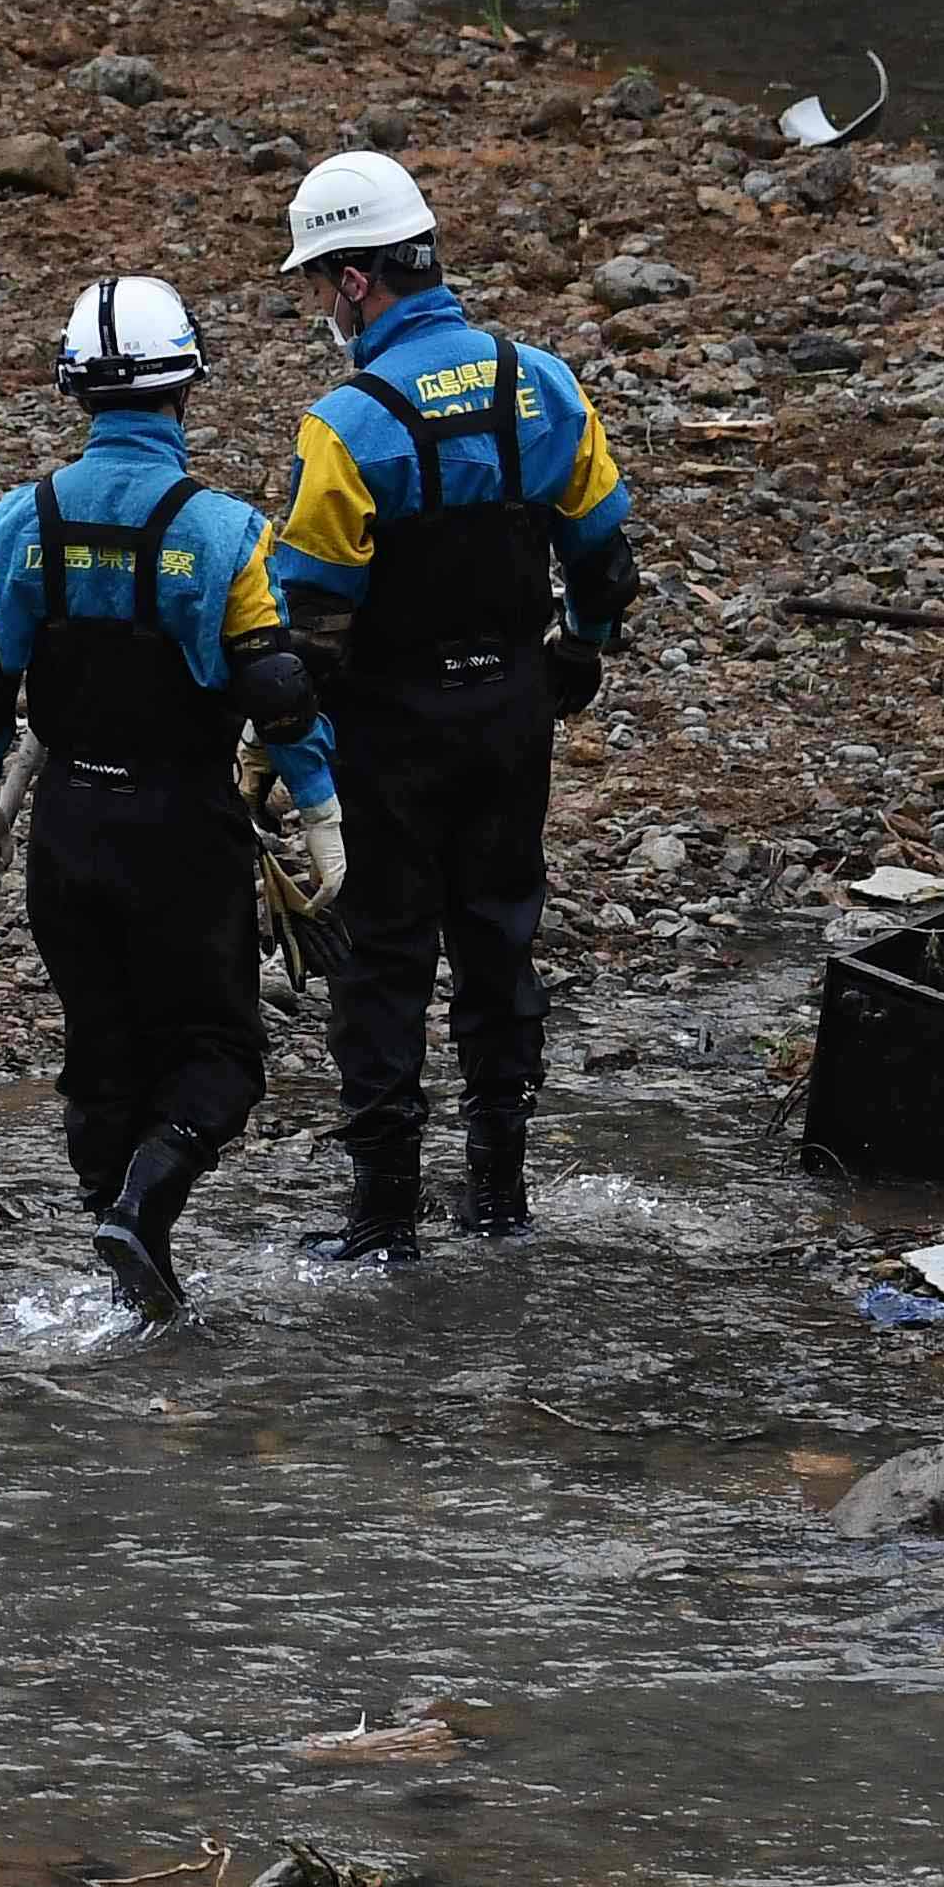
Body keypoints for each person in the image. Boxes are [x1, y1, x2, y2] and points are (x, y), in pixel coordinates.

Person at [268, 152, 640, 1261]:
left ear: (351, 281)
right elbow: (606, 561)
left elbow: (314, 626)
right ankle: (501, 1197)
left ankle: (384, 1220)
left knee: (382, 960)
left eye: (314, 285)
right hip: (513, 714)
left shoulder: (344, 426)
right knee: (499, 940)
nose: (317, 307)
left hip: (393, 730)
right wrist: (582, 650)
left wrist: (281, 745)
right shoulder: (547, 384)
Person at [0, 277, 332, 1320]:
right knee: (221, 1054)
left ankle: (115, 1270)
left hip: (66, 828)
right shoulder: (222, 532)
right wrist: (323, 810)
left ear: (77, 390)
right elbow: (276, 691)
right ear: (187, 385)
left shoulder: (17, 521)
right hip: (181, 832)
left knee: (102, 1053)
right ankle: (142, 1213)